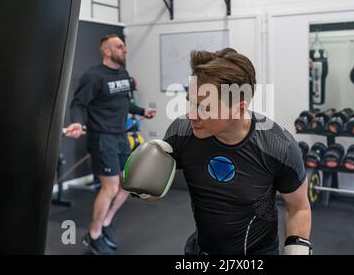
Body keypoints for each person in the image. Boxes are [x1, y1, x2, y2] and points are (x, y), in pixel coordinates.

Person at [126, 48, 312, 255]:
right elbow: (154, 195)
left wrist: (297, 246)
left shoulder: (279, 146)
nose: (191, 115)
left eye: (204, 108)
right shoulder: (181, 133)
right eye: (191, 102)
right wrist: (144, 189)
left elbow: (299, 208)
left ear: (239, 109)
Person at [64, 34, 156, 255]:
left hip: (120, 136)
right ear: (106, 51)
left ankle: (106, 221)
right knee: (111, 187)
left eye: (124, 45)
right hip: (102, 137)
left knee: (128, 184)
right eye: (119, 46)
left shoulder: (123, 74)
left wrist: (142, 111)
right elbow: (78, 103)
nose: (124, 49)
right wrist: (77, 122)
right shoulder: (93, 76)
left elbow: (125, 102)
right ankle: (94, 235)